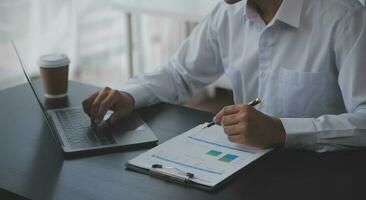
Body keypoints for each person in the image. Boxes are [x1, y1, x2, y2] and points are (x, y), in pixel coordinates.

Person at [82, 0, 366, 152]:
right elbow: (180, 73)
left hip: (322, 175)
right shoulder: (227, 15)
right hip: (244, 168)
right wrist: (130, 95)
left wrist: (282, 131)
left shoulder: (344, 18)